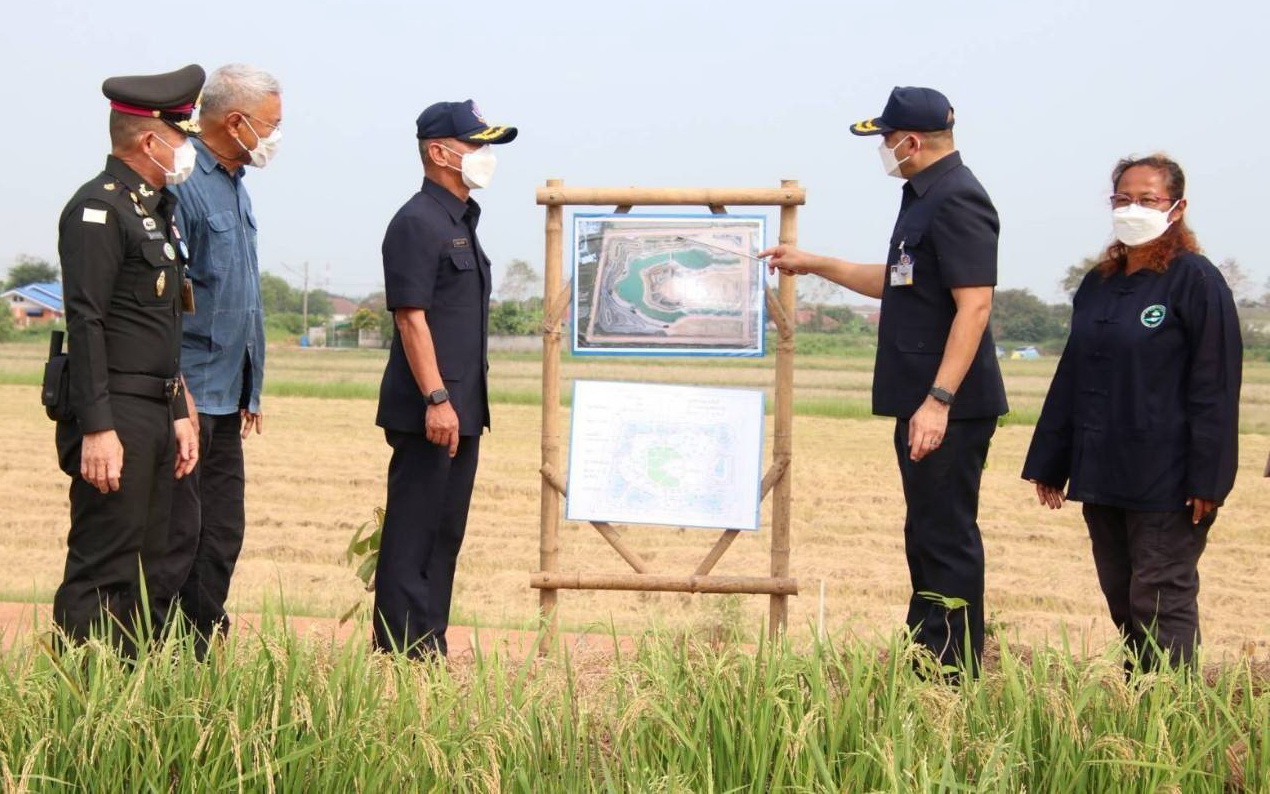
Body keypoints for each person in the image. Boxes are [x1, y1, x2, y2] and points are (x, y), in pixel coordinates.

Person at [761, 86, 1007, 673]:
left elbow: (974, 306)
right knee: (925, 531)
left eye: (886, 139)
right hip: (921, 400)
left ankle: (952, 671)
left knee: (945, 535)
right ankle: (929, 655)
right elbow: (899, 282)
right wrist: (813, 262)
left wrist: (939, 400)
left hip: (946, 404)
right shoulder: (922, 197)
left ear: (912, 141)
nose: (884, 148)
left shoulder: (958, 199)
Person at [1023, 154, 1241, 669]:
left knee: (1160, 596)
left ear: (1177, 208)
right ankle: (1140, 699)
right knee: (1122, 597)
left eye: (1148, 200)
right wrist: (1052, 461)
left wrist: (1209, 478)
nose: (1132, 208)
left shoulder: (1196, 281)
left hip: (1167, 475)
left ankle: (1173, 710)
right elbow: (1073, 372)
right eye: (1123, 199)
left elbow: (1216, 385)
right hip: (1104, 466)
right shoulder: (1099, 281)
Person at [53, 64, 204, 653]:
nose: (186, 149)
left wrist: (180, 409)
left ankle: (134, 693)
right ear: (150, 139)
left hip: (155, 409)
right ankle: (83, 708)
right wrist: (97, 428)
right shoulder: (97, 209)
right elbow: (85, 322)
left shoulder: (155, 210)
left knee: (154, 562)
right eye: (182, 135)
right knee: (105, 563)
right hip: (113, 410)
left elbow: (159, 328)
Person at [373, 100, 517, 659]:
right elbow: (411, 317)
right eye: (475, 145)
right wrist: (436, 398)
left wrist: (458, 402)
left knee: (444, 532)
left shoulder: (460, 220)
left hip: (464, 405)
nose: (483, 157)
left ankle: (428, 644)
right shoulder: (417, 221)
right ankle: (399, 650)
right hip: (430, 408)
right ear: (439, 152)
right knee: (413, 531)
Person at [157, 64, 282, 648]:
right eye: (270, 125)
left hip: (227, 395)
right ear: (235, 122)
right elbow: (165, 303)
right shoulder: (183, 187)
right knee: (180, 532)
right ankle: (160, 649)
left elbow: (238, 290)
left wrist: (251, 389)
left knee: (222, 531)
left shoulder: (236, 184)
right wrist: (176, 394)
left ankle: (199, 644)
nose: (276, 138)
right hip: (188, 392)